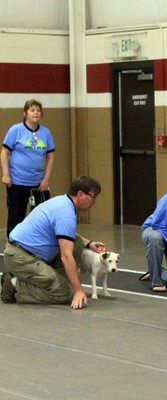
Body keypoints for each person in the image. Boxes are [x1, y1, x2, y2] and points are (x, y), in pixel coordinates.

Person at [1, 176, 105, 309]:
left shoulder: (63, 202)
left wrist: (89, 243)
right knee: (66, 293)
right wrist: (78, 291)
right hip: (21, 257)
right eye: (93, 196)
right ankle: (14, 284)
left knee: (77, 242)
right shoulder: (66, 213)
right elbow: (66, 256)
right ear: (80, 194)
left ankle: (53, 282)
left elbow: (68, 234)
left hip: (26, 252)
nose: (95, 201)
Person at [2, 99, 55, 237]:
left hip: (38, 184)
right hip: (17, 182)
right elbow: (4, 152)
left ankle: (35, 246)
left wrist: (46, 179)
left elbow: (50, 157)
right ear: (25, 113)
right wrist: (6, 174)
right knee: (16, 216)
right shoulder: (16, 130)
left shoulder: (46, 133)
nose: (36, 113)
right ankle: (13, 245)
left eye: (38, 110)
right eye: (32, 110)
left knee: (39, 218)